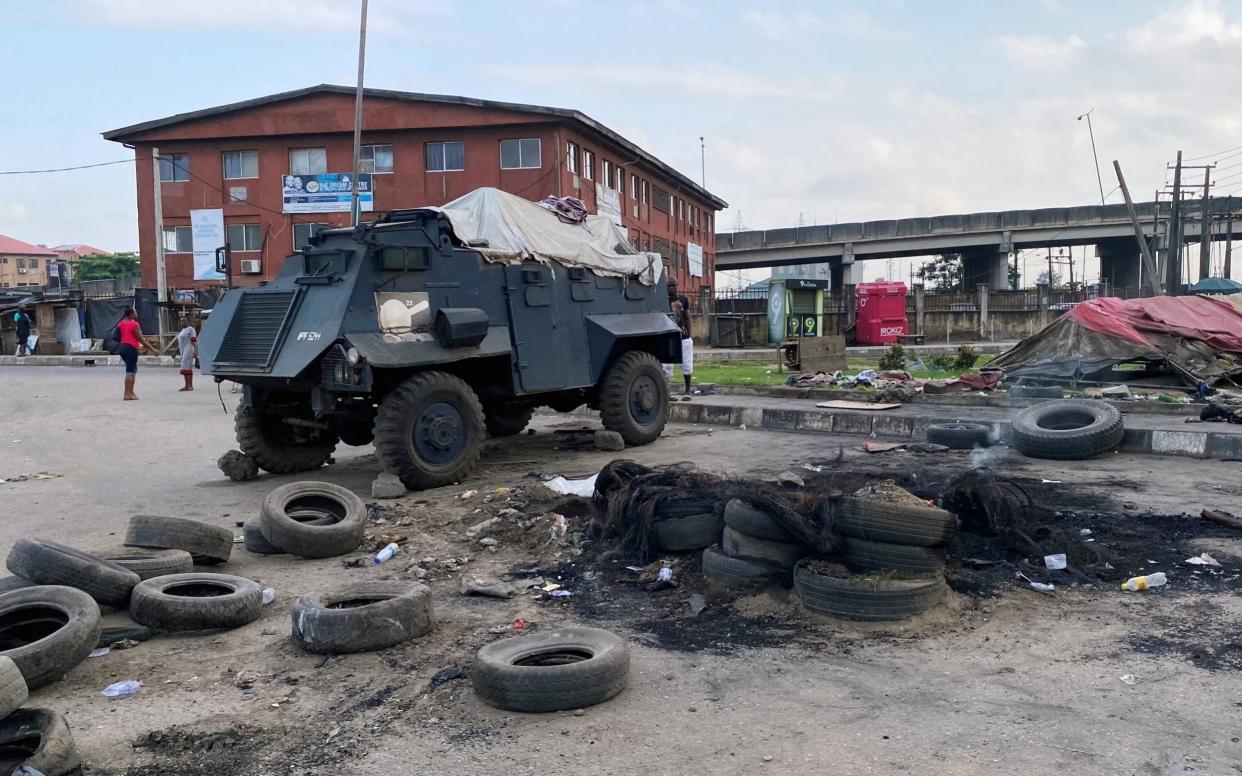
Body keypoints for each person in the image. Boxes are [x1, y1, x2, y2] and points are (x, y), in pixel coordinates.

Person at [665, 277, 694, 397]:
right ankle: (667, 392)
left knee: (687, 363)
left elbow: (687, 317)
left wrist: (689, 334)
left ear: (677, 286)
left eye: (674, 285)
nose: (672, 288)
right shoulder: (661, 300)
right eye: (669, 286)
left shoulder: (683, 299)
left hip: (683, 336)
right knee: (666, 365)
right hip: (667, 335)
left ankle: (687, 390)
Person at [116, 307, 145, 400]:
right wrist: (153, 349)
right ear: (131, 314)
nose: (137, 314)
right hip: (130, 348)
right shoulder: (134, 324)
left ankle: (131, 392)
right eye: (135, 312)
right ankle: (127, 394)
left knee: (133, 369)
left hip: (122, 347)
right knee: (130, 372)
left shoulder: (120, 324)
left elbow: (119, 336)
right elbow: (140, 338)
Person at [176, 317, 199, 391]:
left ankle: (188, 386)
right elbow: (180, 343)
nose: (182, 322)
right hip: (183, 351)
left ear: (187, 321)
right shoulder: (182, 330)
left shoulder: (190, 329)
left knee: (185, 367)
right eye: (181, 321)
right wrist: (175, 352)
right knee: (187, 367)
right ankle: (189, 385)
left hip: (189, 350)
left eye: (184, 321)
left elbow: (194, 340)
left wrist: (196, 351)